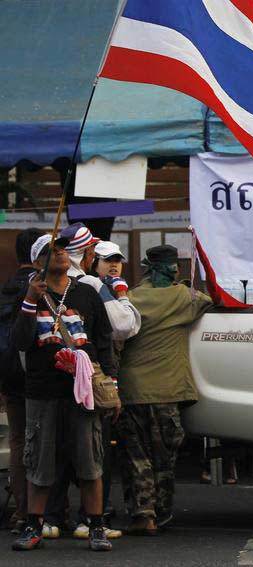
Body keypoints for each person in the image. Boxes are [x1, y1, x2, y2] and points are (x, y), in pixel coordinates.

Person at [11, 234, 117, 551]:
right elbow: (19, 341)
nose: (57, 254)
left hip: (81, 393)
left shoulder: (85, 292)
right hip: (43, 391)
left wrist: (112, 383)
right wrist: (30, 299)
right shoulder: (28, 294)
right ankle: (34, 525)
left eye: (60, 249)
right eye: (49, 251)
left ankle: (96, 525)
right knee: (39, 460)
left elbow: (103, 340)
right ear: (37, 260)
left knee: (89, 459)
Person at [43, 228, 138, 540]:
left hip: (48, 383)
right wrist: (122, 294)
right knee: (92, 453)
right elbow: (121, 327)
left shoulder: (43, 285)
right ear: (86, 253)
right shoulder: (92, 285)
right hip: (83, 385)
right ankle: (89, 519)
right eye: (97, 253)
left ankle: (50, 518)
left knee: (54, 449)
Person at [116, 245, 213, 535]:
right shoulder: (183, 297)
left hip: (132, 390)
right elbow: (210, 300)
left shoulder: (131, 298)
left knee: (136, 456)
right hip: (168, 392)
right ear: (173, 269)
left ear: (147, 267)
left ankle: (142, 514)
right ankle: (162, 511)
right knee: (164, 459)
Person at [0, 228, 45, 533]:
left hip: (8, 373)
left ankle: (20, 511)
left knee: (17, 441)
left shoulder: (5, 288)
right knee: (43, 440)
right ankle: (43, 512)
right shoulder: (39, 287)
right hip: (36, 374)